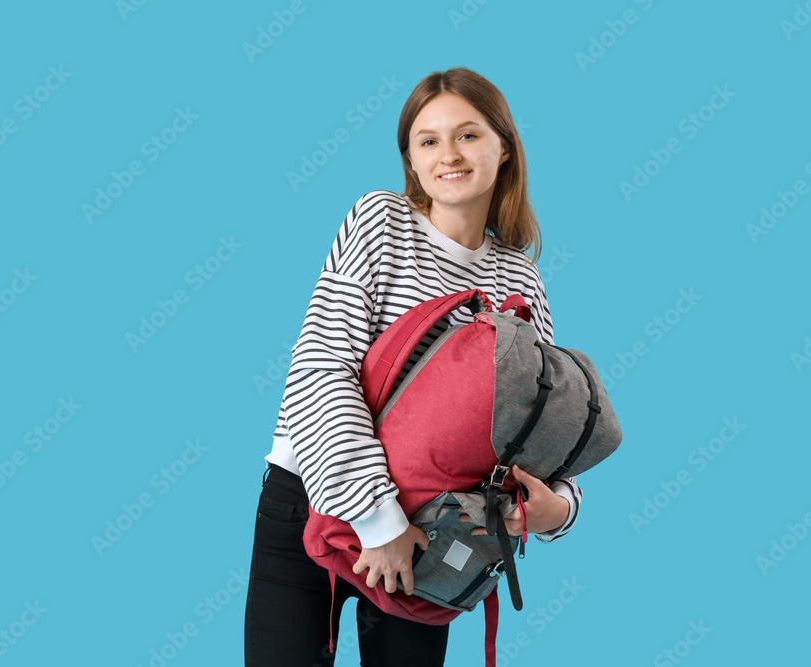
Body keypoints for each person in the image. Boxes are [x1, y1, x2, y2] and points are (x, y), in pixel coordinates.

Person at [244, 66, 584, 667]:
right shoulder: (380, 222)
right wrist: (379, 523)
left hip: (434, 529)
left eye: (469, 135)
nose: (448, 154)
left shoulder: (519, 278)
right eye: (428, 140)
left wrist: (559, 506)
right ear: (411, 159)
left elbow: (537, 424)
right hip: (314, 503)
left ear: (504, 148)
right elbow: (322, 370)